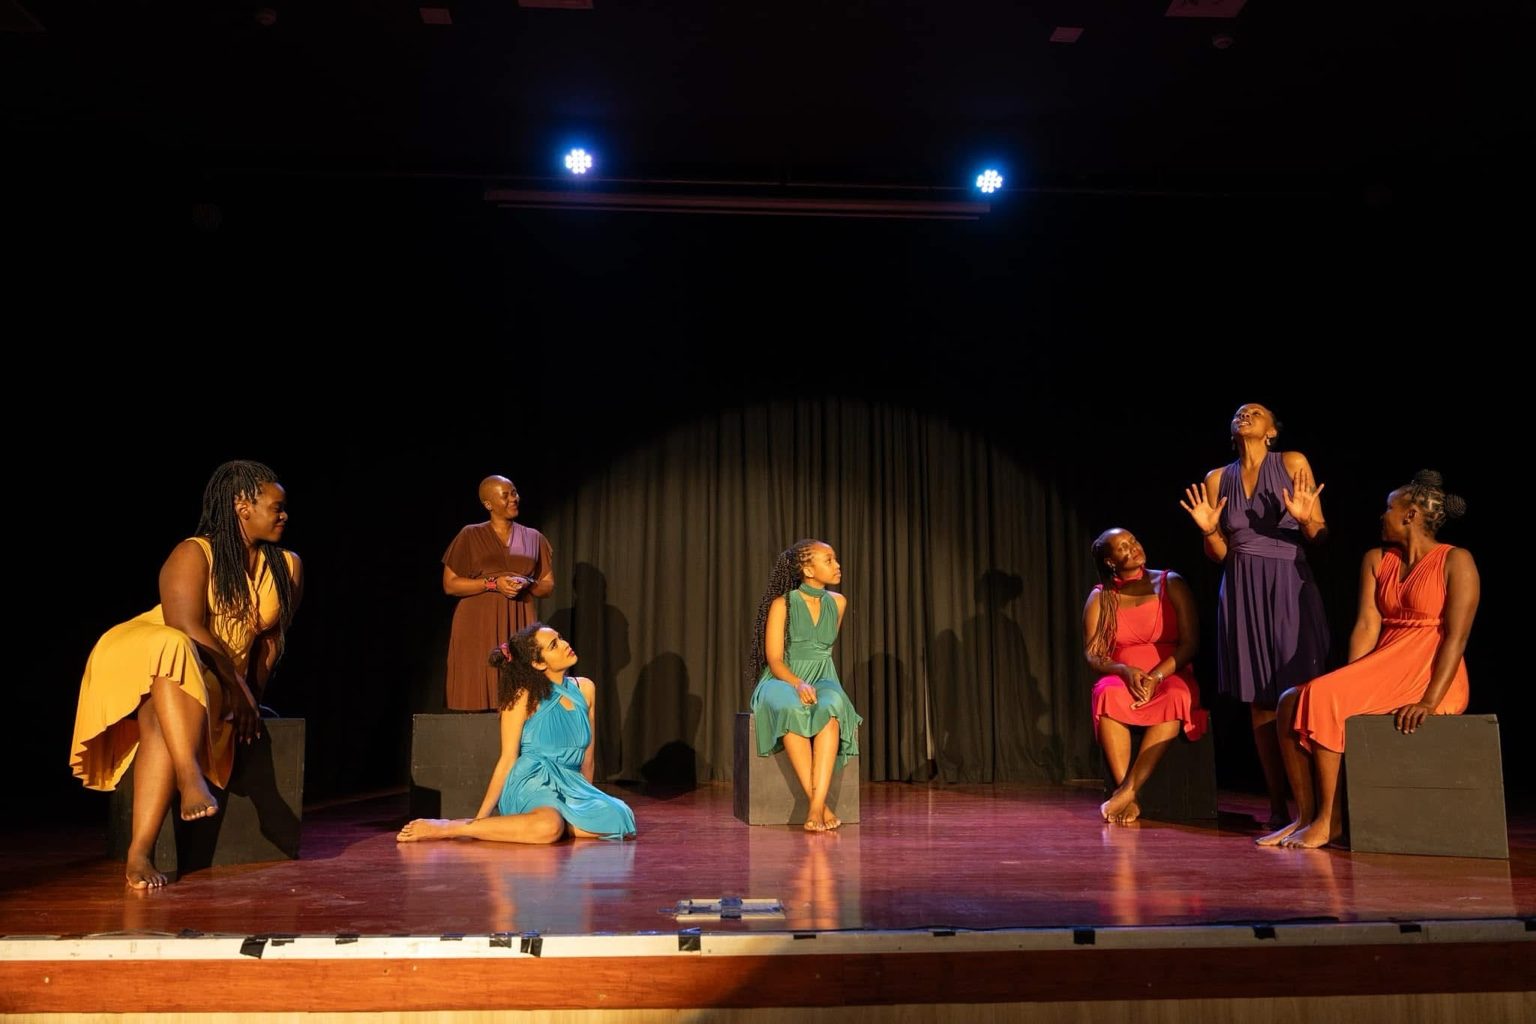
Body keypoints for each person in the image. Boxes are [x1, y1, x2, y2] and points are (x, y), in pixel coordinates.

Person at [69, 460, 303, 888]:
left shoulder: (288, 566)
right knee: (173, 647)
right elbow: (185, 626)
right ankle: (189, 776)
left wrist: (250, 696)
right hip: (150, 650)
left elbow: (271, 642)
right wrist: (236, 687)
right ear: (242, 506)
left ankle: (139, 853)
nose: (285, 515)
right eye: (276, 507)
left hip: (209, 670)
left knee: (160, 716)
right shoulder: (194, 552)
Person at [1259, 471, 1477, 849]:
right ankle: (1304, 817)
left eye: (1389, 508)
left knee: (1325, 696)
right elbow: (1365, 626)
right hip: (1386, 661)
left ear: (1410, 515)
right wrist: (1350, 681)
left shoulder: (1456, 560)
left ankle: (1330, 821)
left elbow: (1456, 638)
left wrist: (1429, 700)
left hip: (1429, 669)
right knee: (1290, 701)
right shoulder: (1376, 559)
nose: (1382, 515)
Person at [1180, 402, 1329, 828]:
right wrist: (1210, 530)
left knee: (1299, 693)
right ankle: (1278, 806)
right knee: (1261, 701)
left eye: (1256, 413)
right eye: (1240, 413)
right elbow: (1219, 554)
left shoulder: (1292, 462)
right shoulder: (1216, 478)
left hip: (1288, 584)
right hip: (1241, 587)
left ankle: (1317, 806)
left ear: (1271, 432)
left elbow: (1320, 535)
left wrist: (1305, 521)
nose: (1244, 415)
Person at [397, 621, 635, 843]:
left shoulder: (586, 688)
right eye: (554, 645)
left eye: (560, 638)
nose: (565, 644)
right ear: (539, 663)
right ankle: (455, 827)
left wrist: (585, 801)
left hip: (570, 782)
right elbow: (508, 758)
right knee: (548, 825)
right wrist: (480, 817)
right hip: (533, 781)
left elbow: (588, 758)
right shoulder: (523, 695)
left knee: (621, 818)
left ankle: (546, 826)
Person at [1083, 529, 1208, 824]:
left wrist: (1156, 676)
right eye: (1123, 547)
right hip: (1124, 678)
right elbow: (1093, 654)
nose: (1134, 548)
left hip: (1169, 673)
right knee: (1107, 693)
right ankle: (1128, 797)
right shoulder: (1102, 597)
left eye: (1134, 541)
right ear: (1111, 562)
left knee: (1176, 696)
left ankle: (1126, 792)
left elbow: (1191, 643)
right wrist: (1124, 671)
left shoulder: (1169, 582)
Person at [746, 539, 862, 832]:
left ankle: (814, 805)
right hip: (783, 678)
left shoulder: (838, 602)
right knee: (791, 707)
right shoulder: (782, 604)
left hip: (823, 676)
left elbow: (822, 650)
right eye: (829, 560)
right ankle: (820, 806)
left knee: (831, 709)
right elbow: (774, 659)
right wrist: (797, 684)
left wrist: (815, 684)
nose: (837, 566)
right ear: (808, 570)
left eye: (836, 559)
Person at [442, 475, 554, 710]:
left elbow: (547, 586)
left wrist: (527, 582)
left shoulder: (534, 538)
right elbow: (450, 584)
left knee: (519, 689)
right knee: (477, 677)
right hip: (477, 620)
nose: (514, 499)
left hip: (518, 615)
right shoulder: (470, 535)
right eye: (506, 495)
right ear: (488, 504)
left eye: (514, 493)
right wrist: (493, 584)